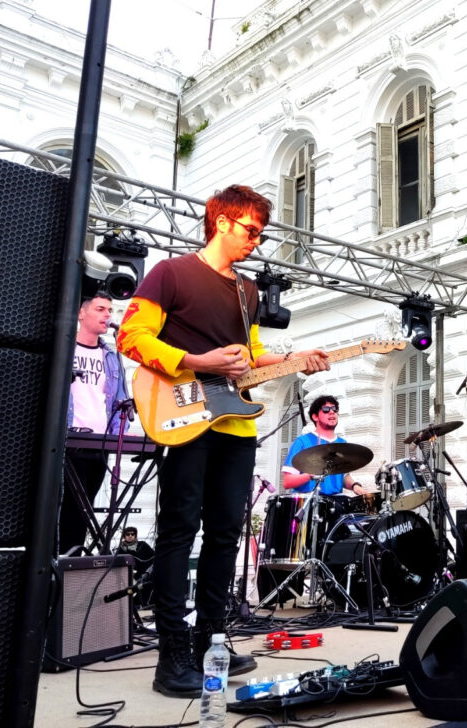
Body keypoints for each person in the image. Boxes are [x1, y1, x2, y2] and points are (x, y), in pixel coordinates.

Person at [118, 185, 330, 698]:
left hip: (235, 424)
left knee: (225, 535)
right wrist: (196, 360)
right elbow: (131, 336)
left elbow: (249, 354)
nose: (256, 241)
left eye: (260, 233)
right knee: (178, 531)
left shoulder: (247, 291)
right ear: (223, 222)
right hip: (184, 417)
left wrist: (296, 359)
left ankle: (210, 644)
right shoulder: (171, 273)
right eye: (251, 230)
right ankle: (171, 657)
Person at [61, 293, 130, 555]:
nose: (107, 315)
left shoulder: (110, 357)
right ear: (81, 313)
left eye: (110, 310)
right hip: (68, 441)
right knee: (63, 509)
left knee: (83, 511)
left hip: (99, 444)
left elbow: (118, 400)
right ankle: (55, 564)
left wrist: (117, 436)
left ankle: (73, 564)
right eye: (100, 309)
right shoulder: (66, 350)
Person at [281, 394, 367, 497]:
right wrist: (309, 475)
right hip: (308, 501)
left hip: (335, 502)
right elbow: (287, 482)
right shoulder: (302, 442)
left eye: (334, 409)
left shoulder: (342, 443)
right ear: (315, 417)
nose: (332, 412)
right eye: (326, 409)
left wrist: (354, 485)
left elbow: (343, 476)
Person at [116, 526, 155, 605]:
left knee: (145, 595)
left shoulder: (142, 545)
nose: (130, 536)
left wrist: (148, 571)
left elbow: (154, 557)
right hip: (128, 577)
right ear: (124, 536)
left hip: (145, 575)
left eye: (132, 534)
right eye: (128, 534)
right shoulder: (121, 549)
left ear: (135, 535)